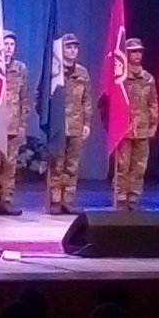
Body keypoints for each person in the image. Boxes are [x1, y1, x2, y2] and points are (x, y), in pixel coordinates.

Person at [48, 33, 92, 215]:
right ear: (62, 49)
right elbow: (40, 98)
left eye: (75, 47)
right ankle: (55, 200)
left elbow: (86, 99)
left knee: (72, 165)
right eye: (69, 47)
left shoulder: (82, 72)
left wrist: (87, 123)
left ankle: (68, 200)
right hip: (58, 125)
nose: (73, 50)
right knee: (57, 163)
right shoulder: (53, 72)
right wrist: (48, 121)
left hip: (76, 124)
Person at [0, 29, 28, 216]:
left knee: (10, 164)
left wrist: (23, 124)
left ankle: (7, 199)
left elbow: (24, 98)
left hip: (13, 123)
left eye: (12, 44)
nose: (9, 48)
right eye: (6, 44)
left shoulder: (20, 69)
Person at [114, 38, 158, 211]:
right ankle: (121, 197)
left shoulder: (148, 78)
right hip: (124, 129)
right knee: (123, 166)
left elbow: (153, 103)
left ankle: (133, 197)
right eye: (133, 52)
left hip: (142, 129)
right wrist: (111, 126)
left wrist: (153, 125)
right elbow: (108, 103)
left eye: (139, 51)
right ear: (126, 54)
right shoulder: (120, 78)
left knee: (139, 166)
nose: (137, 55)